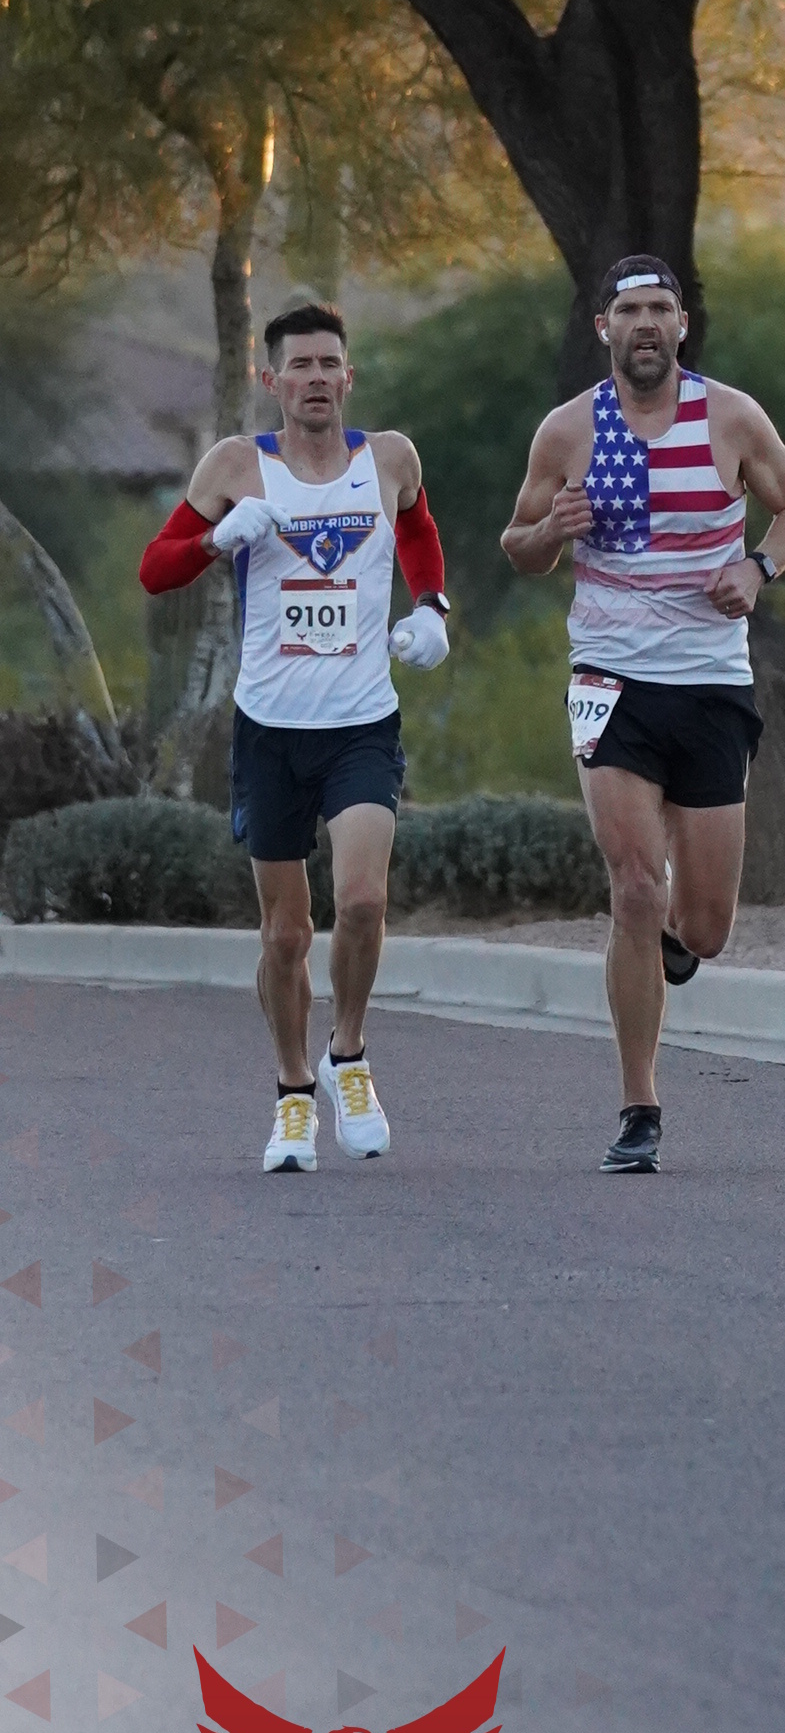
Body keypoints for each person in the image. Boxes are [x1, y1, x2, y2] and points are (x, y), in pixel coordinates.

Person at [501, 255, 785, 1174]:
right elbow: (519, 546)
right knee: (635, 888)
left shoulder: (733, 417)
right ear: (603, 327)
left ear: (682, 325)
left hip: (711, 681)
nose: (646, 324)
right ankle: (639, 1104)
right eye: (629, 310)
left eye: (660, 309)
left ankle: (679, 941)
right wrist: (551, 532)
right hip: (610, 679)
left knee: (706, 925)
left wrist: (756, 569)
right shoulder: (568, 430)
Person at [138, 300, 452, 1174]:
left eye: (329, 364)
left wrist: (432, 606)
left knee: (363, 903)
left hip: (361, 724)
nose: (316, 379)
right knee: (285, 935)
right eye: (300, 366)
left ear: (349, 376)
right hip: (270, 731)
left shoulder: (389, 458)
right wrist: (214, 539)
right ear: (270, 379)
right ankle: (291, 1093)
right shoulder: (237, 465)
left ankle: (347, 1055)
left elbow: (418, 526)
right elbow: (154, 570)